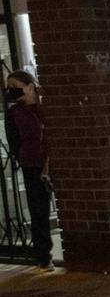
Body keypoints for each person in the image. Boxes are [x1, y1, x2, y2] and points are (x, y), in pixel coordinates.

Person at [5, 70, 53, 271]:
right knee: (38, 210)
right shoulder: (15, 112)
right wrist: (22, 157)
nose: (12, 92)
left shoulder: (45, 105)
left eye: (15, 87)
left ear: (29, 85)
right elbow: (13, 140)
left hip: (51, 161)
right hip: (32, 164)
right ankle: (43, 255)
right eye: (9, 88)